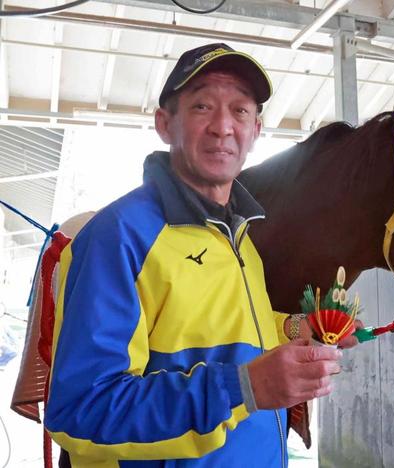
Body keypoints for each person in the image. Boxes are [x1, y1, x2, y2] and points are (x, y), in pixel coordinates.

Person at [44, 43, 357, 467]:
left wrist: (301, 327)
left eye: (241, 110)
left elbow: (232, 338)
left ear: (257, 129)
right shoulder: (117, 238)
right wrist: (243, 389)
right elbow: (82, 411)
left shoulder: (240, 238)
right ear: (164, 123)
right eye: (202, 106)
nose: (223, 127)